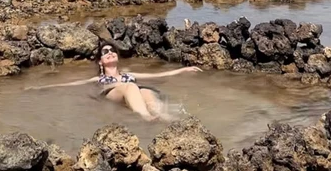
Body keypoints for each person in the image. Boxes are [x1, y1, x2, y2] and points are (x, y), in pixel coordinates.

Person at [27, 43, 201, 121]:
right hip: (112, 94)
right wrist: (41, 88)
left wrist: (183, 69)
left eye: (112, 50)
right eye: (105, 52)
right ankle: (146, 116)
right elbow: (71, 85)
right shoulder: (98, 78)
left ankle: (165, 118)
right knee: (131, 86)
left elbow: (159, 76)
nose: (110, 52)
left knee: (146, 91)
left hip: (132, 93)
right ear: (100, 62)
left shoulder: (128, 74)